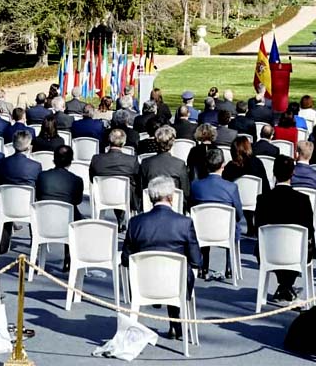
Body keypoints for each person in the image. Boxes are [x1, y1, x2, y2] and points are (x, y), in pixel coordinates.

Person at [122, 176, 203, 340]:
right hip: (176, 284)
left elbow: (125, 259)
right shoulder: (184, 223)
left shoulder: (135, 222)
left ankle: (170, 322)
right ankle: (175, 323)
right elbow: (196, 260)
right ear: (171, 197)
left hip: (144, 282)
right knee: (179, 271)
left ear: (151, 197)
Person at [254, 156, 315, 302]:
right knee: (303, 246)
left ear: (274, 172)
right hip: (297, 253)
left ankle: (284, 286)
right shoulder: (303, 200)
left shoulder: (263, 199)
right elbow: (310, 231)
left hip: (269, 252)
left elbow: (258, 229)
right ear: (293, 173)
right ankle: (286, 286)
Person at [190, 148, 244, 278]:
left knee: (202, 220)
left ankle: (204, 267)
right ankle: (229, 267)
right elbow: (239, 214)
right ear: (223, 166)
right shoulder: (231, 187)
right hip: (225, 230)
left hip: (202, 229)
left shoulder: (195, 185)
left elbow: (191, 207)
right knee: (234, 225)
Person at [0, 131, 41, 254]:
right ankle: (35, 241)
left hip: (6, 206)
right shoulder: (35, 166)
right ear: (29, 145)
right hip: (28, 207)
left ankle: (1, 246)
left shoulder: (1, 163)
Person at [89, 129, 142, 217]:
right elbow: (138, 182)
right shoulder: (132, 160)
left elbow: (92, 178)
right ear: (124, 143)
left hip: (102, 195)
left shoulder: (96, 159)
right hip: (125, 197)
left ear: (109, 141)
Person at [36, 144, 84, 221]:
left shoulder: (42, 176)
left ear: (54, 159)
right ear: (71, 161)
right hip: (66, 220)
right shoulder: (77, 180)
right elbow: (77, 201)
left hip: (44, 219)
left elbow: (38, 196)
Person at [140, 125, 191, 195]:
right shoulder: (179, 164)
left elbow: (141, 190)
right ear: (172, 142)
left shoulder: (146, 163)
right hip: (173, 204)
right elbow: (185, 192)